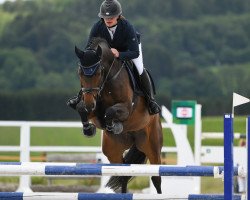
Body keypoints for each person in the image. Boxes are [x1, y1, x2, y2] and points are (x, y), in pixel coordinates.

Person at [67, 0, 161, 115]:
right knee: (91, 70)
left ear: (118, 16)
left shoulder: (127, 27)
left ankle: (150, 100)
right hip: (108, 53)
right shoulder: (97, 27)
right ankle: (79, 97)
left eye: (112, 16)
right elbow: (89, 48)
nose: (109, 19)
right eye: (106, 17)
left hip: (128, 49)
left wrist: (119, 54)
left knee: (140, 69)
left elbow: (134, 52)